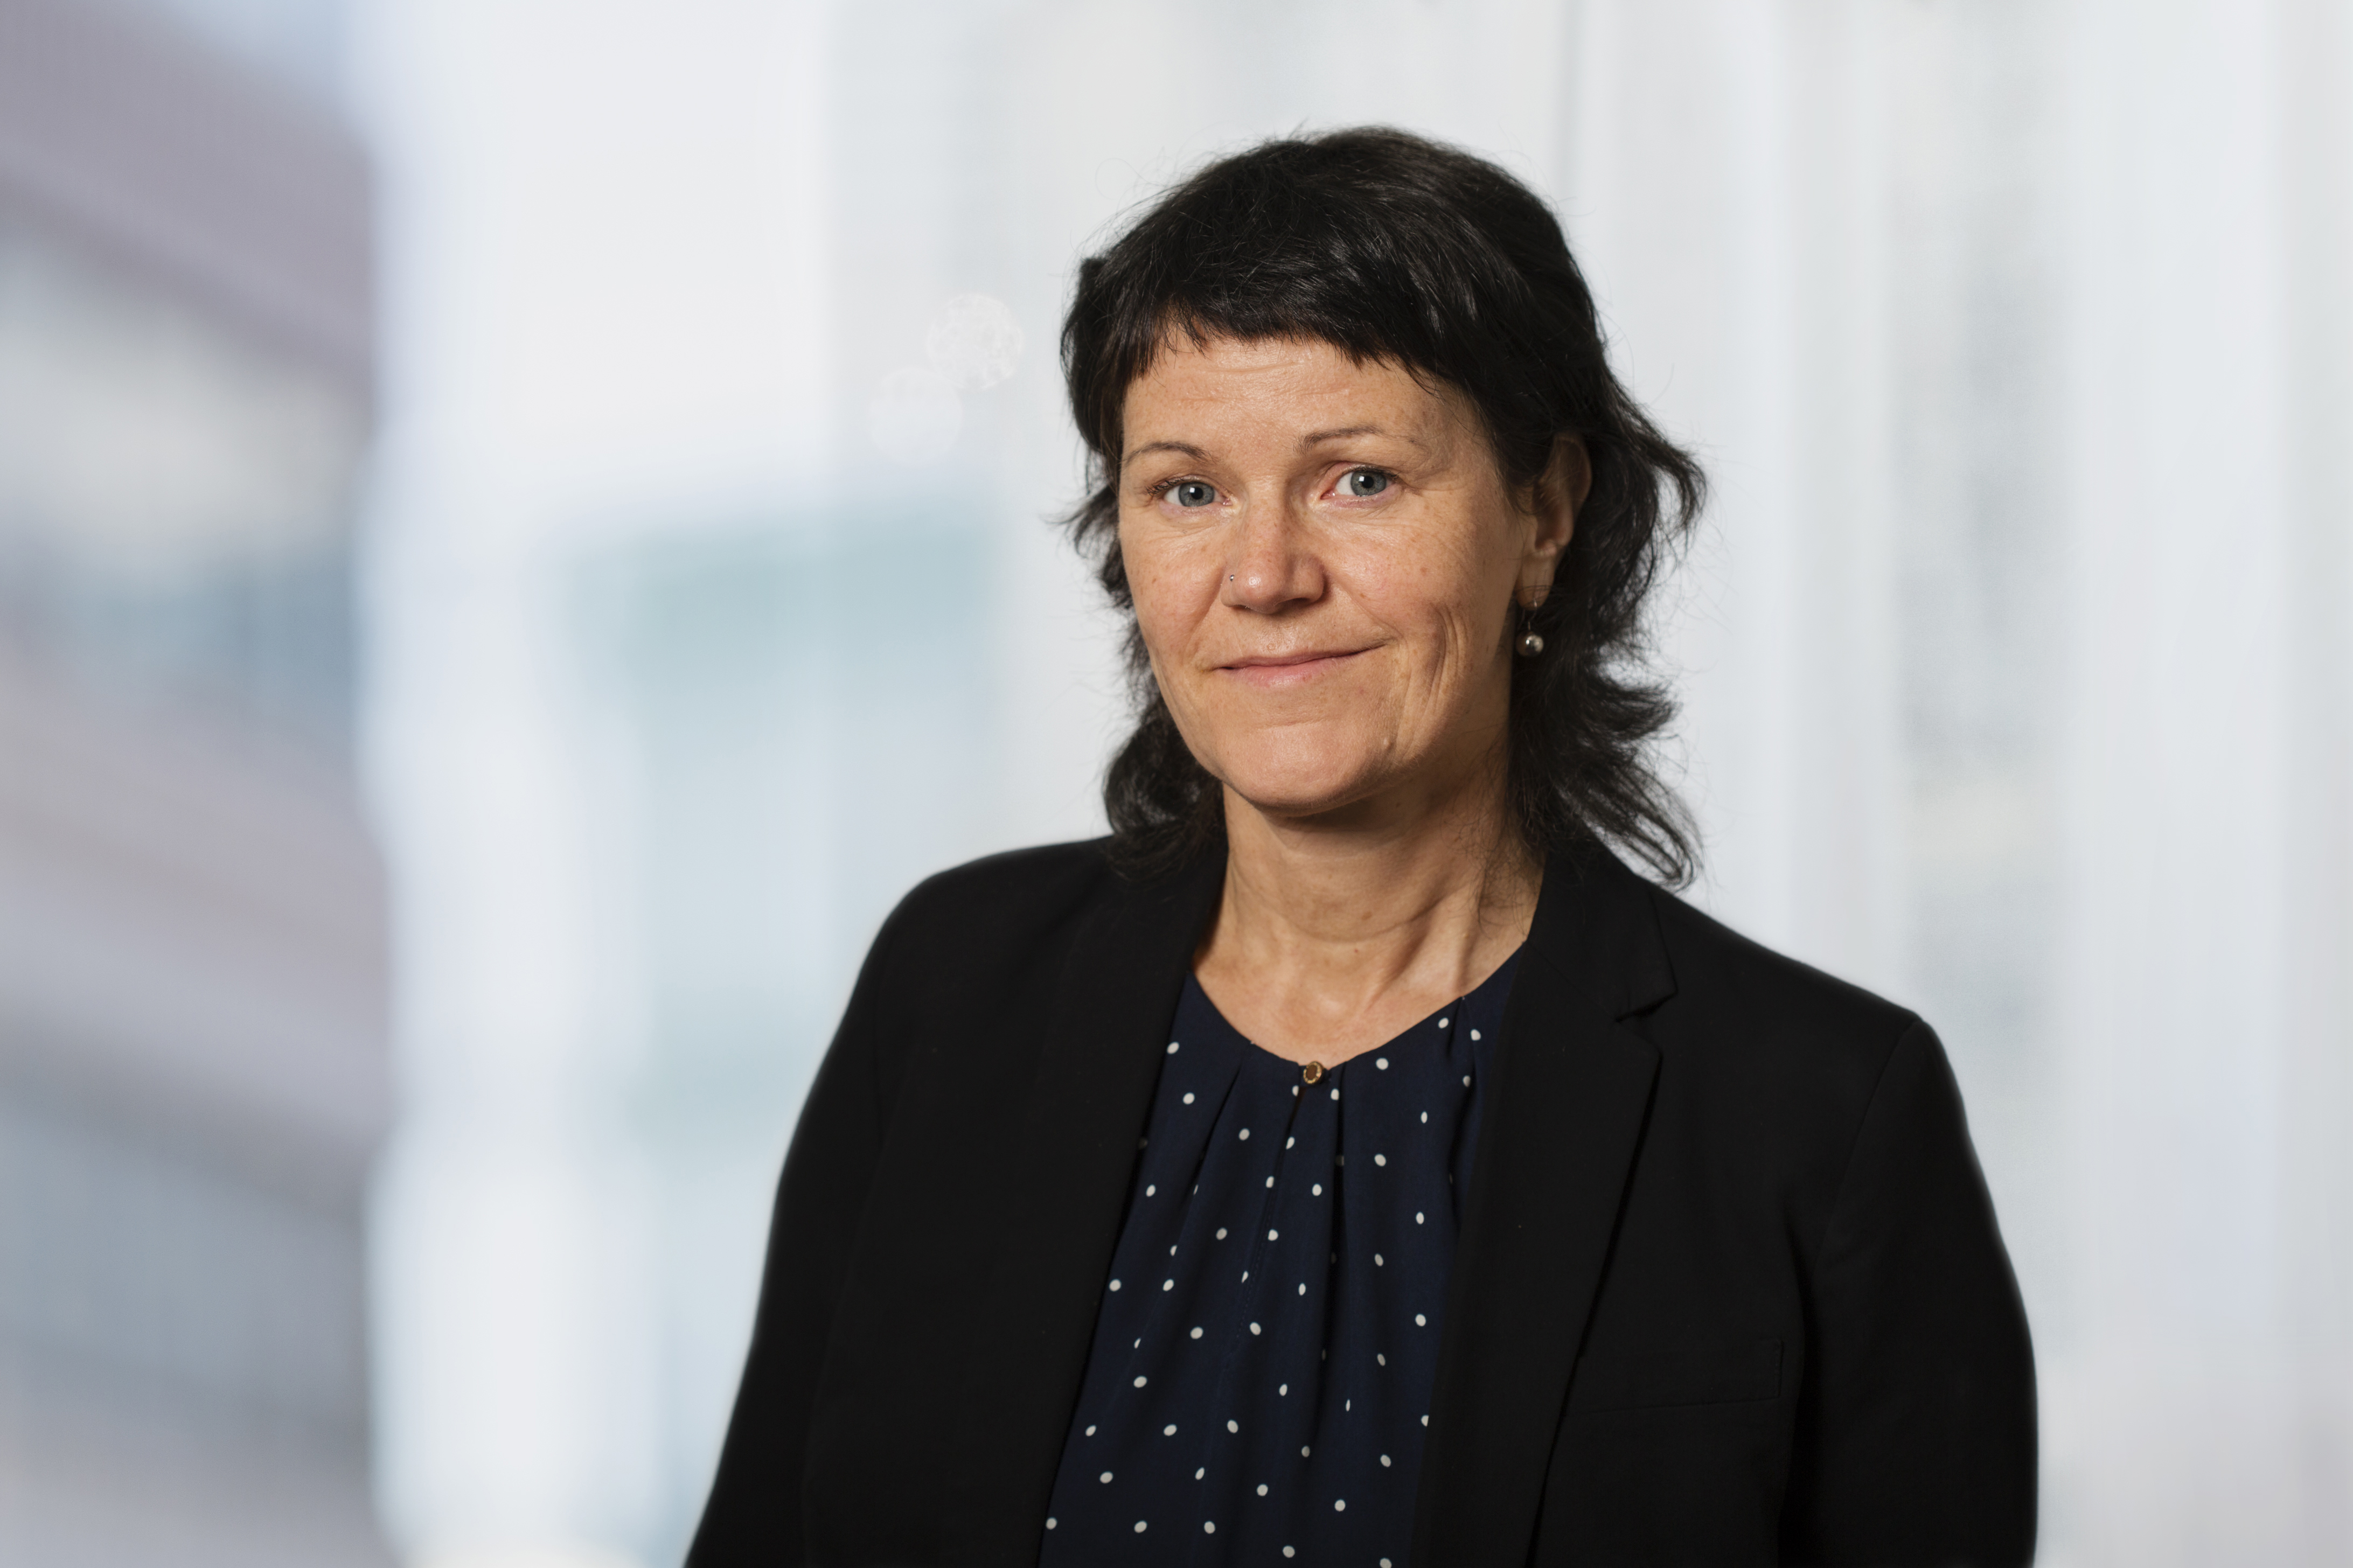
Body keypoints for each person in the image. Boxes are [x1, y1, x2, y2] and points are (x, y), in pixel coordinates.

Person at [688, 127, 2035, 1567]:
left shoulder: (1821, 1116)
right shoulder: (953, 992)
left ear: (1545, 513)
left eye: (1360, 480)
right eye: (1188, 490)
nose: (1264, 576)